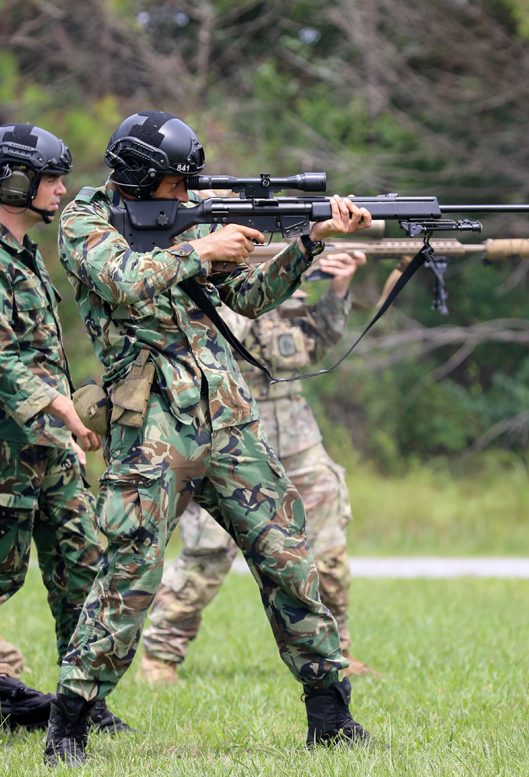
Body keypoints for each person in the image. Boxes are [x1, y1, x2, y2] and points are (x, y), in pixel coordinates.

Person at [47, 110, 376, 766]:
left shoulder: (188, 216)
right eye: (174, 183)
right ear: (141, 178)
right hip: (152, 425)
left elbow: (250, 297)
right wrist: (202, 247)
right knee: (130, 571)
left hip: (225, 412)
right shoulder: (85, 221)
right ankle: (70, 721)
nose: (184, 194)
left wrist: (308, 242)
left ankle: (331, 713)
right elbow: (118, 278)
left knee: (287, 551)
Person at [0, 122, 128, 750]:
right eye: (50, 178)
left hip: (52, 449)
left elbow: (41, 360)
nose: (61, 188)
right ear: (14, 181)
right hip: (4, 452)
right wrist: (67, 416)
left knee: (82, 569)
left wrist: (67, 429)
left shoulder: (22, 257)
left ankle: (82, 704)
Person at [140, 250, 379, 683]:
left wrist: (337, 289)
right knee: (208, 553)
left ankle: (337, 650)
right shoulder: (205, 273)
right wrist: (250, 277)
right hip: (231, 425)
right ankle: (161, 655)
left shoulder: (287, 280)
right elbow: (218, 334)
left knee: (327, 550)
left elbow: (312, 344)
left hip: (295, 431)